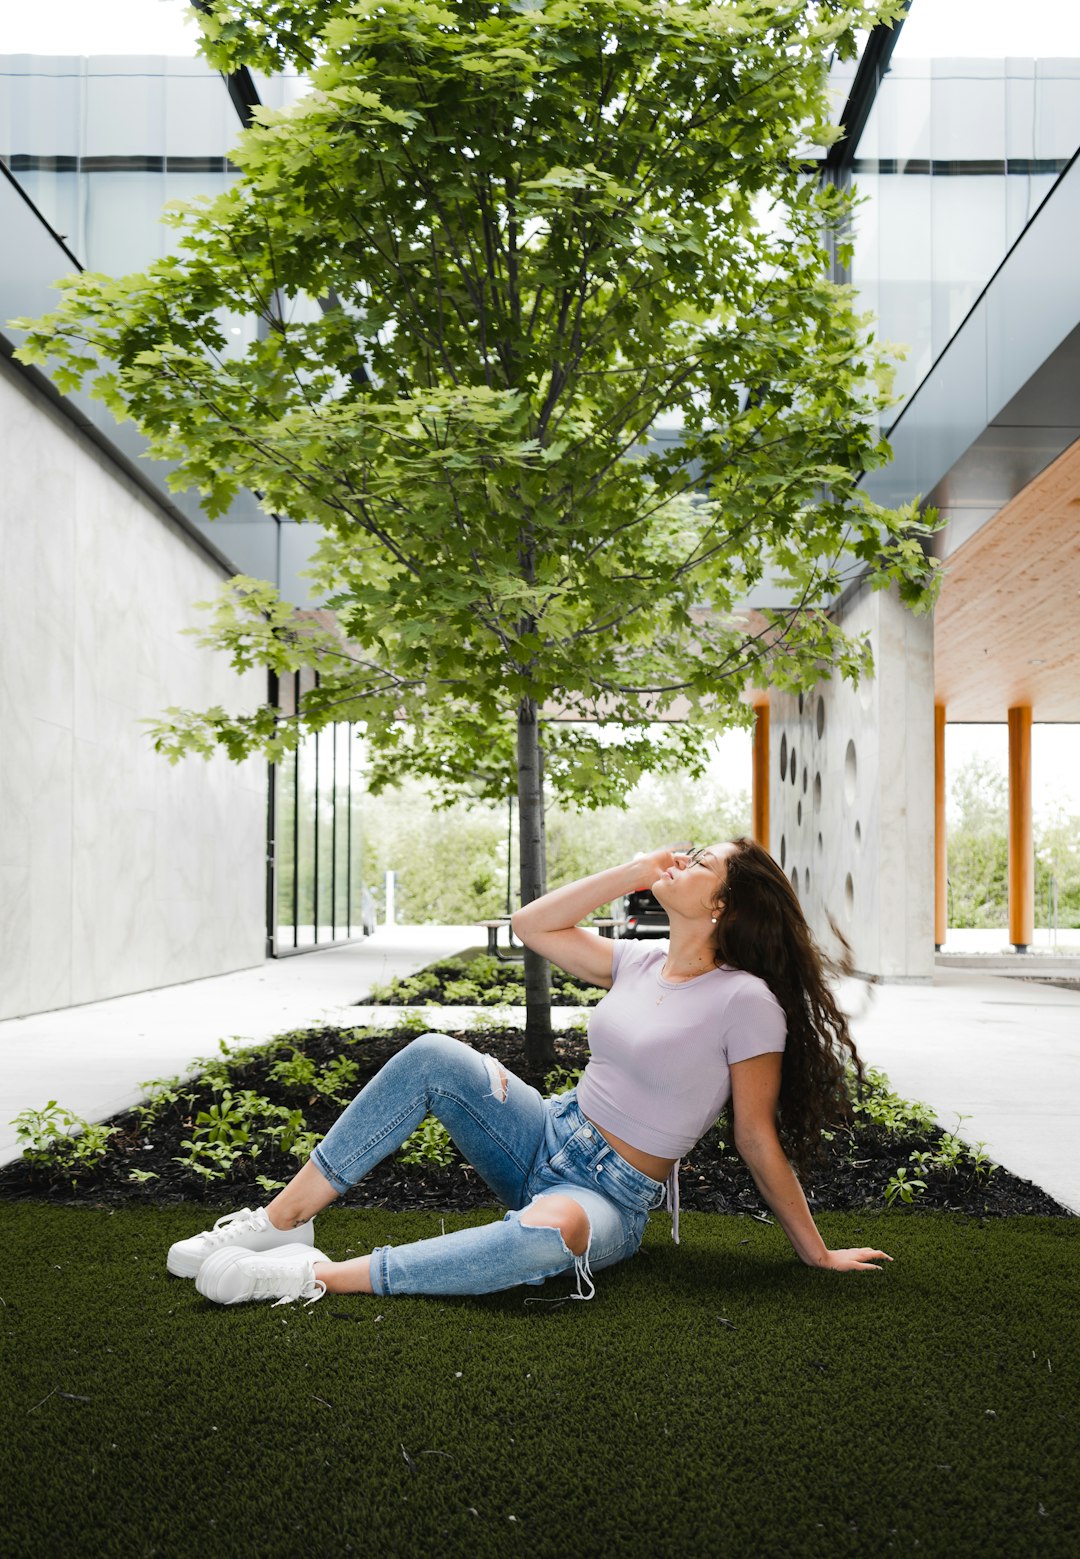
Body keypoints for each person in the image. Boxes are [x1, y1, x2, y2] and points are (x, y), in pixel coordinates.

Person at [170, 839, 892, 1307]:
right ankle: (280, 1222)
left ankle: (313, 1275)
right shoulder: (637, 960)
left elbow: (756, 1137)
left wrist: (815, 1250)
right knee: (432, 1054)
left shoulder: (747, 1001)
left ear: (721, 905)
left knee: (551, 1234)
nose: (681, 859)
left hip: (608, 1192)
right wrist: (634, 871)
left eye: (699, 862)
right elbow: (532, 926)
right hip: (547, 1130)